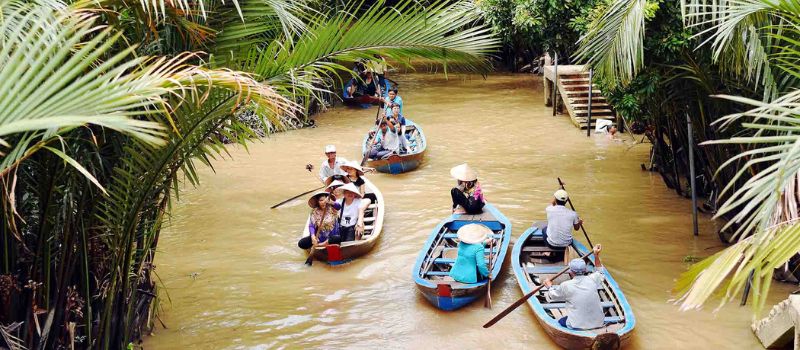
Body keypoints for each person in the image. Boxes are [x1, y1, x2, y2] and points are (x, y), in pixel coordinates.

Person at [543, 244, 607, 330]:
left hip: (577, 325)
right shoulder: (592, 279)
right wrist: (596, 255)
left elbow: (553, 296)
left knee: (561, 322)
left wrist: (549, 287)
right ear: (585, 270)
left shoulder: (566, 285)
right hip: (598, 322)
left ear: (571, 272)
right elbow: (600, 271)